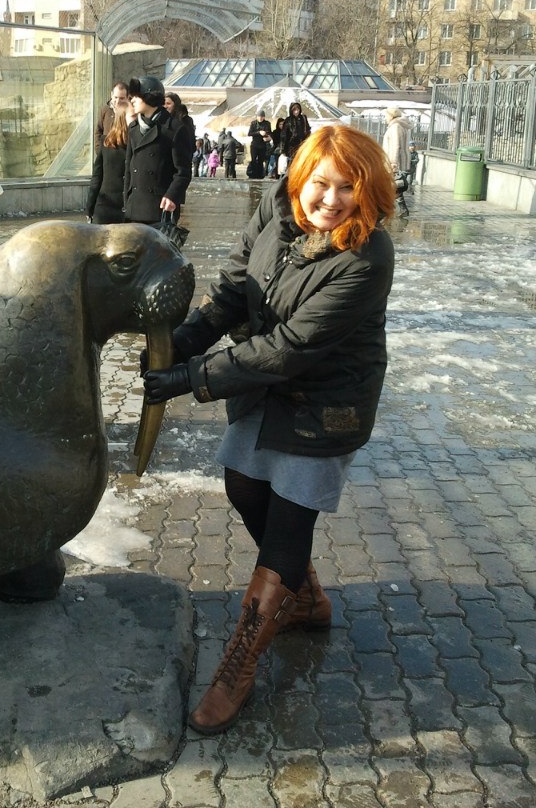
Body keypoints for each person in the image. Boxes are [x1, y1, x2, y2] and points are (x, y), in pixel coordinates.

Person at [142, 125, 396, 735]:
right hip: (262, 385)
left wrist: (189, 378)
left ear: (367, 195)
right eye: (321, 183)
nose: (330, 200)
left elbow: (289, 347)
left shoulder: (367, 256)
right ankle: (304, 597)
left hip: (324, 401)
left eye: (347, 189)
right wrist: (178, 345)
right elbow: (234, 291)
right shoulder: (275, 207)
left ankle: (240, 665)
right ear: (301, 176)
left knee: (287, 522)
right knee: (242, 485)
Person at [123, 76, 192, 225]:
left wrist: (172, 196)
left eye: (136, 96)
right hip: (134, 209)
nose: (132, 100)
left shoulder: (174, 128)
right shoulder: (134, 128)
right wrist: (127, 200)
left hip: (160, 208)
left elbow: (183, 171)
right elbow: (129, 168)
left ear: (149, 96)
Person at [86, 97, 130, 224]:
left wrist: (90, 207)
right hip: (115, 208)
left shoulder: (106, 142)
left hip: (104, 207)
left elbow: (96, 178)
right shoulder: (108, 143)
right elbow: (97, 177)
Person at [381, 107, 412, 218]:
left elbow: (396, 146)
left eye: (386, 115)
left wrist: (393, 163)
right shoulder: (398, 126)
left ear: (391, 115)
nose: (385, 118)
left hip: (394, 163)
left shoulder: (395, 127)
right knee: (394, 187)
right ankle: (400, 209)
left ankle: (386, 210)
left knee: (391, 187)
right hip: (397, 162)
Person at [96, 81, 129, 151]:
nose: (118, 101)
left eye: (122, 98)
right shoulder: (105, 110)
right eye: (116, 97)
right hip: (106, 153)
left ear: (127, 97)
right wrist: (99, 151)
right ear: (111, 95)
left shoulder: (130, 113)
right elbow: (98, 131)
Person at [165, 92, 196, 156]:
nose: (165, 106)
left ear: (175, 104)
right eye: (163, 104)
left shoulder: (184, 120)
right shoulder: (161, 119)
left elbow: (191, 142)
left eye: (168, 104)